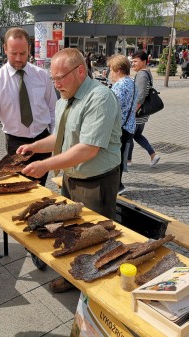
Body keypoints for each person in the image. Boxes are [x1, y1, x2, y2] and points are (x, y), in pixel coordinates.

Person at [17, 48, 122, 292]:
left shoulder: (100, 98)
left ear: (80, 71)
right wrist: (34, 147)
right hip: (72, 177)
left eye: (60, 77)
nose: (56, 84)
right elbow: (61, 137)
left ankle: (95, 285)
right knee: (72, 230)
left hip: (96, 181)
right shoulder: (65, 98)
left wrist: (45, 165)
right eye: (53, 78)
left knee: (94, 234)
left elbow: (87, 149)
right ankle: (74, 273)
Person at [0, 27, 57, 186]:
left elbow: (53, 110)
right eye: (13, 53)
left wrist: (55, 139)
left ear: (29, 50)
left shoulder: (42, 76)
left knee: (38, 186)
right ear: (5, 49)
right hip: (16, 144)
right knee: (21, 187)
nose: (18, 58)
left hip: (43, 140)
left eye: (23, 53)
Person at [108, 55, 138, 195]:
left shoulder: (120, 86)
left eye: (111, 70)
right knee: (119, 156)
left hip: (119, 128)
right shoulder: (132, 83)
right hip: (130, 126)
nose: (110, 73)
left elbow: (111, 108)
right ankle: (118, 184)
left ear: (118, 70)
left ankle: (115, 185)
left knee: (114, 158)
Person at [127, 50, 160, 167]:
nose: (133, 64)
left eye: (136, 61)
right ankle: (153, 155)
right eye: (132, 61)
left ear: (144, 62)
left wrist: (132, 112)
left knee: (129, 135)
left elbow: (140, 97)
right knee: (137, 135)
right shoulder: (147, 73)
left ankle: (128, 161)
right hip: (143, 113)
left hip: (138, 112)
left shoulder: (141, 75)